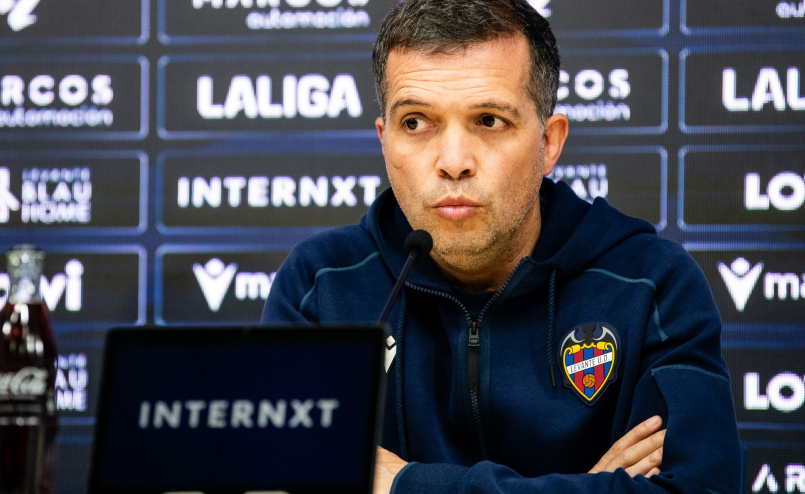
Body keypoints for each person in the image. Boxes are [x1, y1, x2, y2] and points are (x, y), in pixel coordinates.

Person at [261, 0, 741, 492]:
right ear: (384, 141)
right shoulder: (320, 286)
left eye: (489, 120)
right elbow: (278, 481)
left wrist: (405, 484)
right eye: (416, 122)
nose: (452, 161)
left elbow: (702, 488)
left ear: (549, 143)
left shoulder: (650, 284)